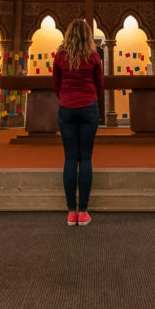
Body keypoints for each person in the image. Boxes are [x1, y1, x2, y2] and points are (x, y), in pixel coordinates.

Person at [52, 18, 104, 226]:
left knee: (70, 158)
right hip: (88, 108)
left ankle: (70, 212)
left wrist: (66, 97)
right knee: (86, 158)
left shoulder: (60, 56)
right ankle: (83, 211)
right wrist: (90, 99)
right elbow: (99, 84)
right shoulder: (93, 55)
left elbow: (56, 83)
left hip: (67, 109)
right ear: (87, 36)